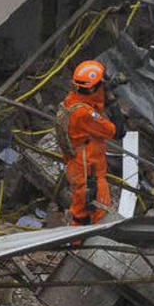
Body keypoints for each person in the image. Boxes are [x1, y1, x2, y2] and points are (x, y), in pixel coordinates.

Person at [56, 59, 126, 226]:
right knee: (98, 214)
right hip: (89, 171)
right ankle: (90, 248)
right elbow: (117, 131)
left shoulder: (72, 101)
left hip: (78, 166)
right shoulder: (84, 114)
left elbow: (92, 104)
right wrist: (112, 102)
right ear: (94, 88)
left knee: (82, 213)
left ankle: (76, 246)